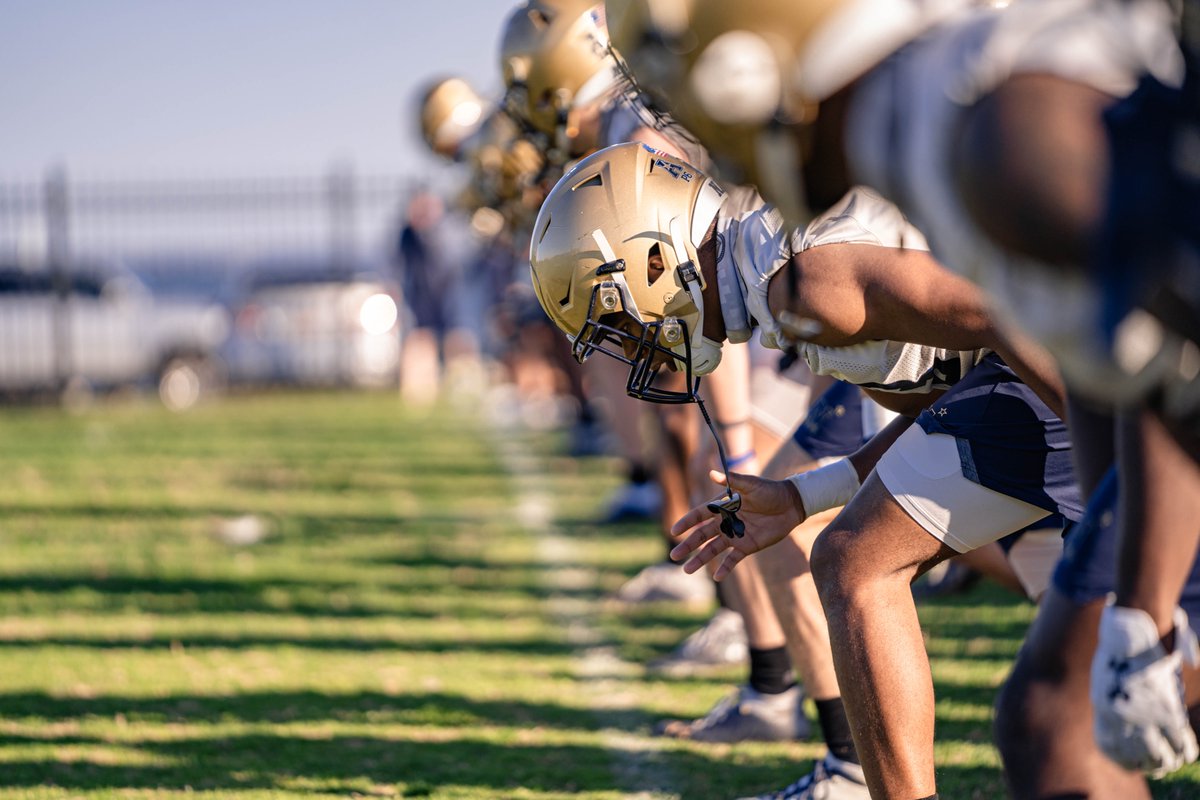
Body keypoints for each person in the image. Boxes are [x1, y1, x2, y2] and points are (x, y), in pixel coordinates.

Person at [607, 0, 1200, 794]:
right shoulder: (912, 129)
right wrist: (803, 492)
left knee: (1055, 712)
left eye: (695, 113)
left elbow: (1083, 333)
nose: (705, 156)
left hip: (1121, 390)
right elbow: (1061, 352)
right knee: (1051, 708)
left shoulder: (954, 160)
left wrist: (1141, 591)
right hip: (1095, 390)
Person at [529, 141, 1077, 798]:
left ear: (656, 257)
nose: (636, 343)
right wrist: (802, 497)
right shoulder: (776, 279)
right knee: (859, 562)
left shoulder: (811, 281)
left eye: (621, 317)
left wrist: (1127, 465)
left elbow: (1009, 313)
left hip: (1080, 366)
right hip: (1045, 371)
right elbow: (951, 409)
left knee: (869, 571)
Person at [500, 0, 819, 742]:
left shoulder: (640, 126)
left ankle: (789, 700)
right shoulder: (634, 113)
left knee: (771, 487)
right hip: (768, 297)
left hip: (787, 293)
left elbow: (684, 269)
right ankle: (773, 684)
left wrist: (735, 430)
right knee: (776, 489)